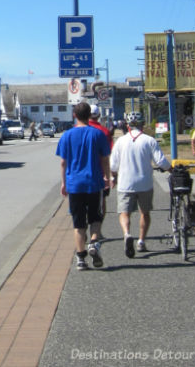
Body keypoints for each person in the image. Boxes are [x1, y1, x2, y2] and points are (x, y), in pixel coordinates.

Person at [55, 102, 112, 271]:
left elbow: (63, 162)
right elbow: (105, 159)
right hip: (94, 182)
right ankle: (94, 241)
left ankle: (81, 259)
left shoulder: (67, 136)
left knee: (78, 223)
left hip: (74, 184)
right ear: (90, 115)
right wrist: (107, 177)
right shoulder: (98, 134)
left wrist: (64, 183)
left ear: (74, 115)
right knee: (95, 217)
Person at [110, 111, 172, 258]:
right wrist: (172, 170)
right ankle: (141, 241)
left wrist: (114, 177)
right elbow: (161, 162)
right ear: (143, 124)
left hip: (125, 183)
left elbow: (113, 165)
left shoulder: (121, 141)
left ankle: (127, 234)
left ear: (127, 126)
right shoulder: (149, 140)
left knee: (124, 213)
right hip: (145, 183)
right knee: (145, 212)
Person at [88, 104, 114, 239]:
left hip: (79, 176)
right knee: (101, 205)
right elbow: (109, 155)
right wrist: (109, 176)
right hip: (100, 175)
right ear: (98, 116)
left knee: (82, 205)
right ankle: (97, 232)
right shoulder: (104, 132)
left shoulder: (75, 130)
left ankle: (82, 230)